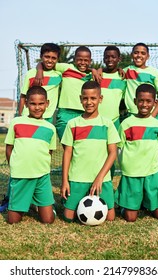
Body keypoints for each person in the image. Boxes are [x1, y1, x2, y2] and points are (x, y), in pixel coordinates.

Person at [60, 81, 120, 223]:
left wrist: (99, 178)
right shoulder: (73, 124)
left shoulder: (107, 124)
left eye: (93, 98)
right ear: (80, 99)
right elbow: (67, 153)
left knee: (110, 218)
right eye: (85, 98)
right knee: (68, 218)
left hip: (101, 180)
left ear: (100, 99)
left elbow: (113, 153)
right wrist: (64, 181)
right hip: (78, 178)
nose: (89, 102)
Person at [123, 42, 158, 209]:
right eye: (136, 52)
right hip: (132, 118)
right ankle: (131, 197)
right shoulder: (126, 71)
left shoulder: (154, 72)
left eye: (143, 53)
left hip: (150, 118)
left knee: (154, 162)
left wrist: (150, 117)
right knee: (135, 159)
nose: (139, 55)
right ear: (131, 54)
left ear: (148, 56)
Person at [4, 86, 57, 224]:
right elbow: (9, 148)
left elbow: (48, 152)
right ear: (26, 103)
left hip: (42, 176)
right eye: (33, 103)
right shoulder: (17, 122)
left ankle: (35, 202)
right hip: (21, 175)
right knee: (13, 221)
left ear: (47, 104)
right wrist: (14, 167)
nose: (37, 107)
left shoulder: (50, 128)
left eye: (41, 103)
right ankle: (28, 200)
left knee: (48, 220)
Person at [114, 83, 158, 222]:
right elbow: (119, 148)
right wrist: (124, 165)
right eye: (141, 100)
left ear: (155, 102)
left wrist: (156, 164)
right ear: (135, 101)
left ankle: (145, 201)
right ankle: (127, 205)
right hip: (132, 172)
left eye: (148, 101)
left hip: (151, 172)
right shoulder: (126, 123)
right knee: (131, 218)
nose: (144, 104)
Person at [35, 46, 102, 141]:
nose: (82, 63)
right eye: (79, 60)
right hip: (64, 113)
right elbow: (44, 63)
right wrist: (39, 71)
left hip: (83, 114)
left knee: (79, 145)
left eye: (86, 60)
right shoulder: (66, 68)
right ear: (74, 59)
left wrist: (94, 70)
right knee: (67, 145)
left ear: (90, 61)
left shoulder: (92, 76)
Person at [18, 43, 62, 123]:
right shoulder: (31, 73)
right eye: (47, 57)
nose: (50, 60)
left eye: (53, 58)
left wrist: (92, 70)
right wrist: (20, 116)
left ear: (57, 59)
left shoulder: (59, 74)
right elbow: (23, 97)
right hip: (28, 115)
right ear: (41, 56)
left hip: (47, 117)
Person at [99, 46, 126, 130]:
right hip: (97, 121)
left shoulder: (123, 78)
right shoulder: (97, 76)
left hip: (115, 121)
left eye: (113, 57)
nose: (110, 59)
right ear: (103, 59)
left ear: (119, 59)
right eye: (107, 57)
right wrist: (97, 69)